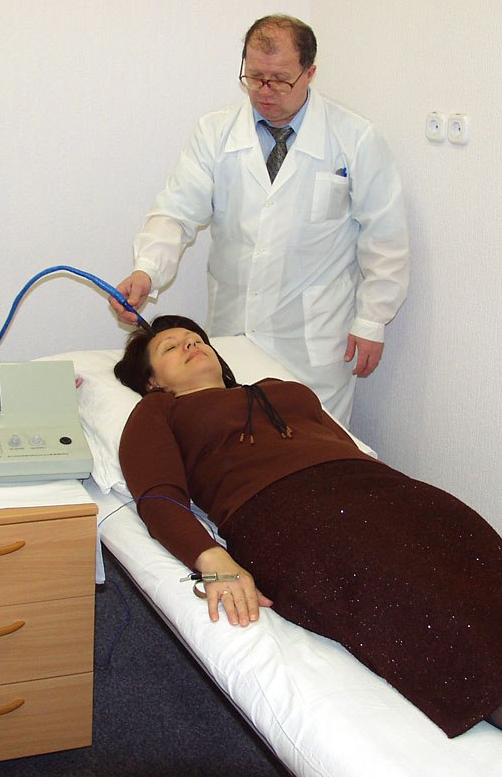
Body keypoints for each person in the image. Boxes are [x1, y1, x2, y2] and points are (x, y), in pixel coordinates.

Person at [114, 314, 502, 739]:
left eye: (195, 339)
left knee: (472, 545)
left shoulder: (283, 390)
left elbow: (346, 447)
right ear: (152, 381)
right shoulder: (158, 411)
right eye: (171, 347)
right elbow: (158, 497)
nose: (191, 345)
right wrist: (214, 559)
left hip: (373, 485)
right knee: (409, 592)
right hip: (283, 510)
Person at [111, 14, 410, 426]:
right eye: (254, 77)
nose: (265, 91)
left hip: (313, 341)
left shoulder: (355, 138)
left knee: (317, 446)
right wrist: (147, 270)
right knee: (242, 440)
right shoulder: (214, 132)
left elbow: (385, 237)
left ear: (310, 73)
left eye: (280, 80)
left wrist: (372, 319)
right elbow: (176, 211)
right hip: (234, 330)